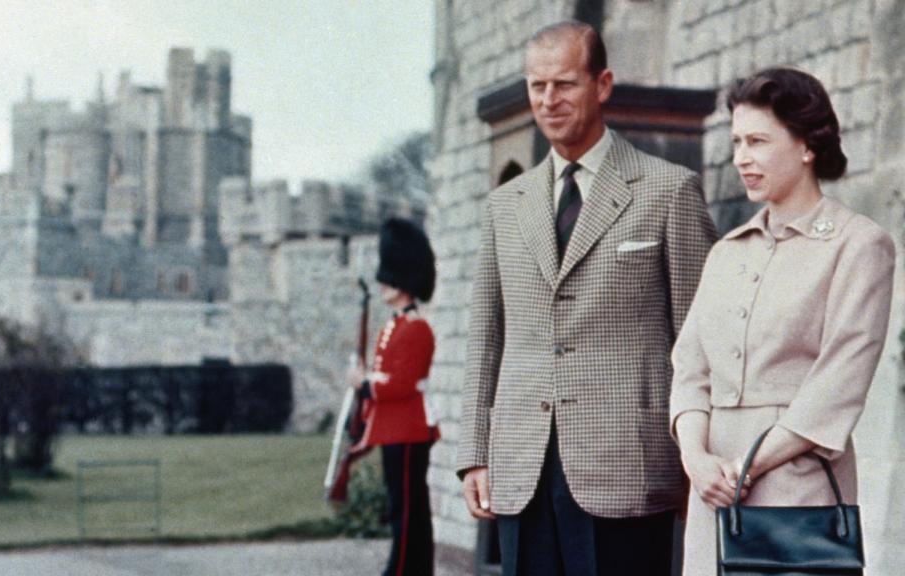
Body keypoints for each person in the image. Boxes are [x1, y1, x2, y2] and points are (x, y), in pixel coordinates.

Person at [456, 19, 718, 576]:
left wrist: (694, 457)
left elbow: (700, 342)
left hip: (629, 466)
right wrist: (474, 453)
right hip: (521, 464)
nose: (549, 100)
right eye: (537, 86)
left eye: (565, 84)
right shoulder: (505, 206)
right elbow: (486, 338)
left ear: (602, 84)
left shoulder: (668, 190)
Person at [669, 67, 895, 576]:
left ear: (806, 146)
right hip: (713, 495)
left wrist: (745, 466)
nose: (742, 158)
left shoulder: (858, 245)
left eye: (758, 141)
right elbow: (689, 370)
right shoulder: (726, 254)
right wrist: (696, 461)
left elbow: (838, 385)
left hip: (796, 492)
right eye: (736, 142)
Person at [346, 217, 440, 576]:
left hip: (408, 429)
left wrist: (363, 384)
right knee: (404, 507)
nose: (382, 283)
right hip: (394, 429)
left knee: (407, 509)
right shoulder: (395, 325)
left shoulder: (417, 328)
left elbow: (400, 384)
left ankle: (402, 570)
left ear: (402, 281)